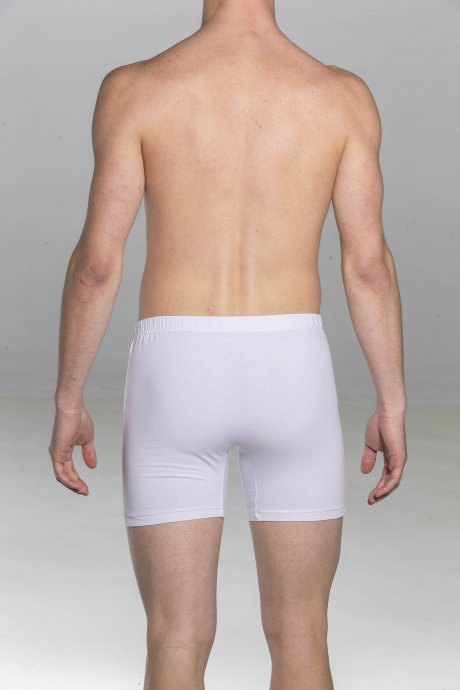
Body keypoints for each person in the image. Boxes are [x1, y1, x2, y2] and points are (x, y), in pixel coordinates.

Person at [48, 0, 408, 688]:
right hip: (291, 366)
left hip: (176, 369)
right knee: (302, 631)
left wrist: (69, 397)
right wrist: (392, 402)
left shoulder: (135, 89)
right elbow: (367, 265)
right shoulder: (341, 96)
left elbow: (97, 264)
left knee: (175, 636)